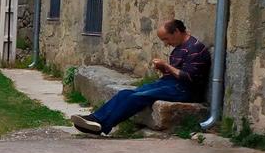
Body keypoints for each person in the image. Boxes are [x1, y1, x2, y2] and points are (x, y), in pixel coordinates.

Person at [70, 19, 210, 136]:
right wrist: (163, 69)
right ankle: (95, 119)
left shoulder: (195, 49)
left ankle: (102, 126)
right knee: (125, 93)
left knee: (136, 97)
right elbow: (174, 73)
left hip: (185, 90)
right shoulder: (179, 47)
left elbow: (189, 77)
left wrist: (166, 66)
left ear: (177, 32)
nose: (166, 44)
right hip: (171, 83)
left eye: (166, 39)